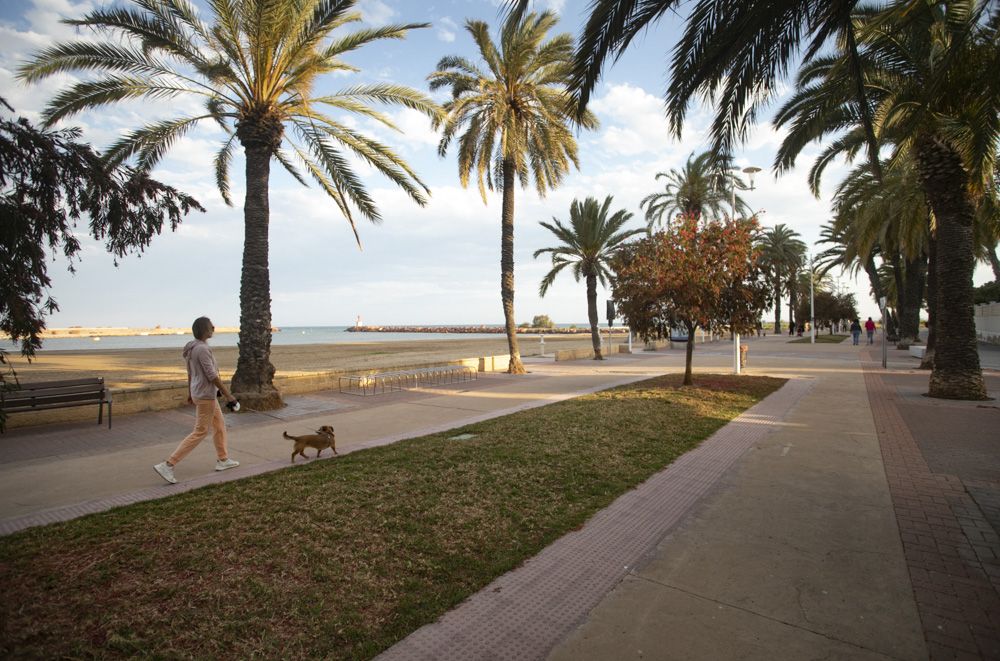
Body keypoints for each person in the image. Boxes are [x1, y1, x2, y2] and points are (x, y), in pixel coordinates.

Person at [154, 317, 239, 484]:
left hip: (200, 393)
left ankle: (223, 460)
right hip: (206, 395)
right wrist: (228, 395)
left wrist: (190, 392)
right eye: (210, 326)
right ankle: (169, 464)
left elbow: (190, 373)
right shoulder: (201, 349)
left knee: (219, 426)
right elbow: (212, 375)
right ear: (203, 330)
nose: (213, 328)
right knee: (200, 431)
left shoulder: (192, 348)